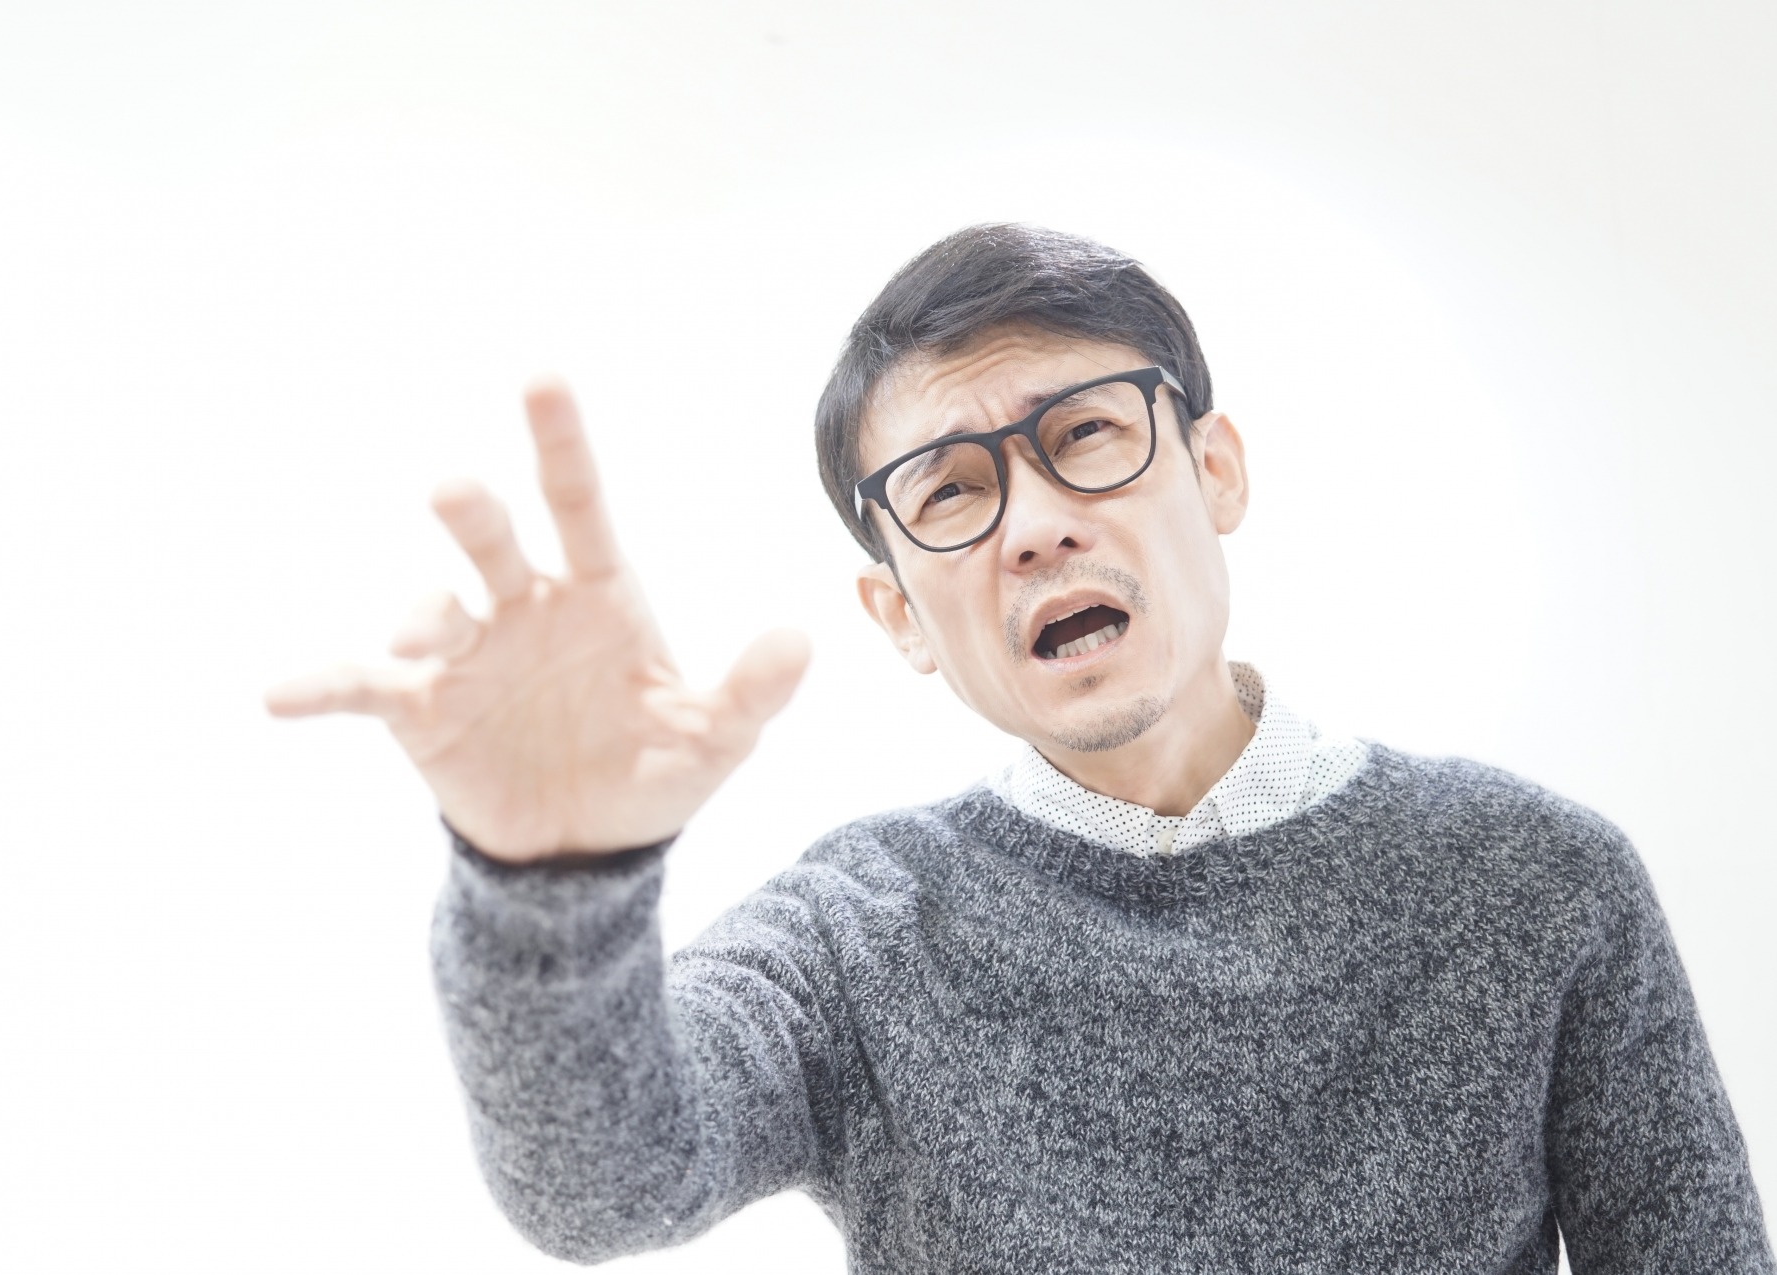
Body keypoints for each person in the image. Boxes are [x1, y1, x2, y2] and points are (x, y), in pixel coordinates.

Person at [265, 224, 1773, 1273]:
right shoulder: (857, 931)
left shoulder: (1537, 878)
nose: (1038, 524)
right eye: (950, 490)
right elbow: (604, 1184)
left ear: (1215, 468)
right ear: (900, 614)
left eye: (1087, 436)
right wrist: (551, 885)